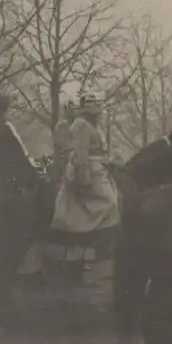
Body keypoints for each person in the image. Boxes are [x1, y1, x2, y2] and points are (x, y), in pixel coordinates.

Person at [51, 89, 121, 254]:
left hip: (99, 168)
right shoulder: (81, 126)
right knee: (108, 199)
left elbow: (99, 151)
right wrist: (84, 179)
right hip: (86, 169)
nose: (98, 114)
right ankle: (91, 234)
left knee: (116, 195)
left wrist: (111, 162)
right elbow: (81, 156)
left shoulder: (94, 126)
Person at [50, 95, 77, 183]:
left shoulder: (79, 126)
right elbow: (57, 145)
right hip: (62, 160)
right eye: (68, 110)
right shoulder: (60, 126)